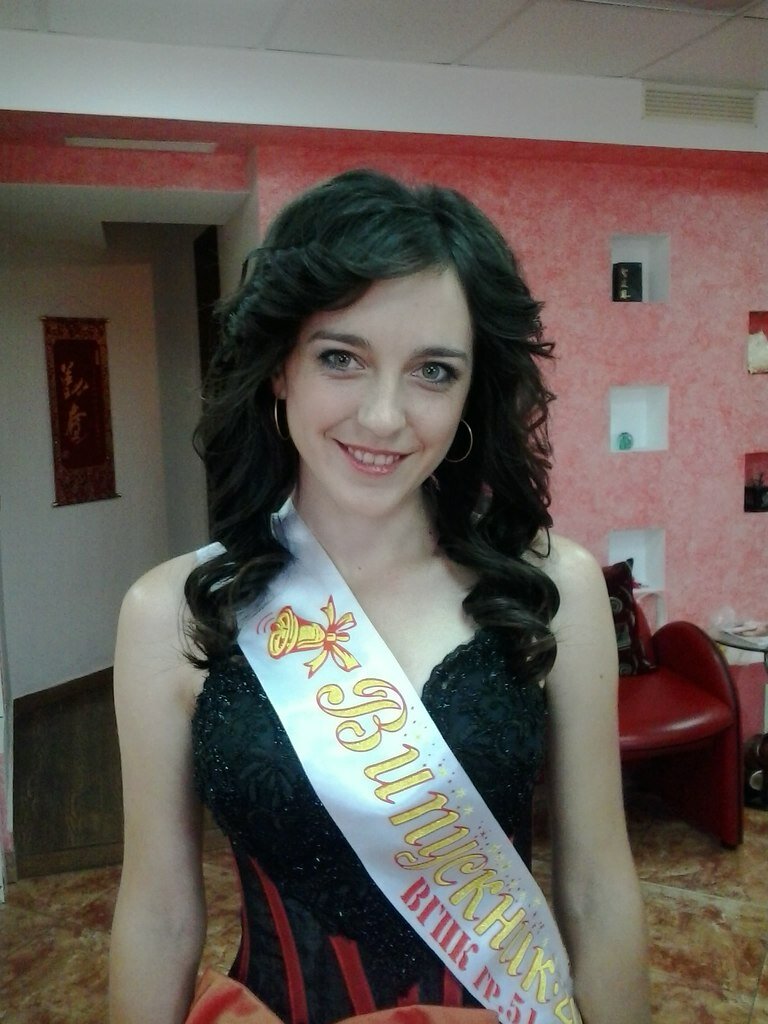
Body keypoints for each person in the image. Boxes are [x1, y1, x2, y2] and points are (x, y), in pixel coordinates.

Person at [109, 169, 650, 1024]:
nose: (386, 417)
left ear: (471, 390)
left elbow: (594, 888)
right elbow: (160, 915)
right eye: (341, 358)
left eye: (433, 371)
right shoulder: (169, 613)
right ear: (280, 368)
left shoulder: (554, 588)